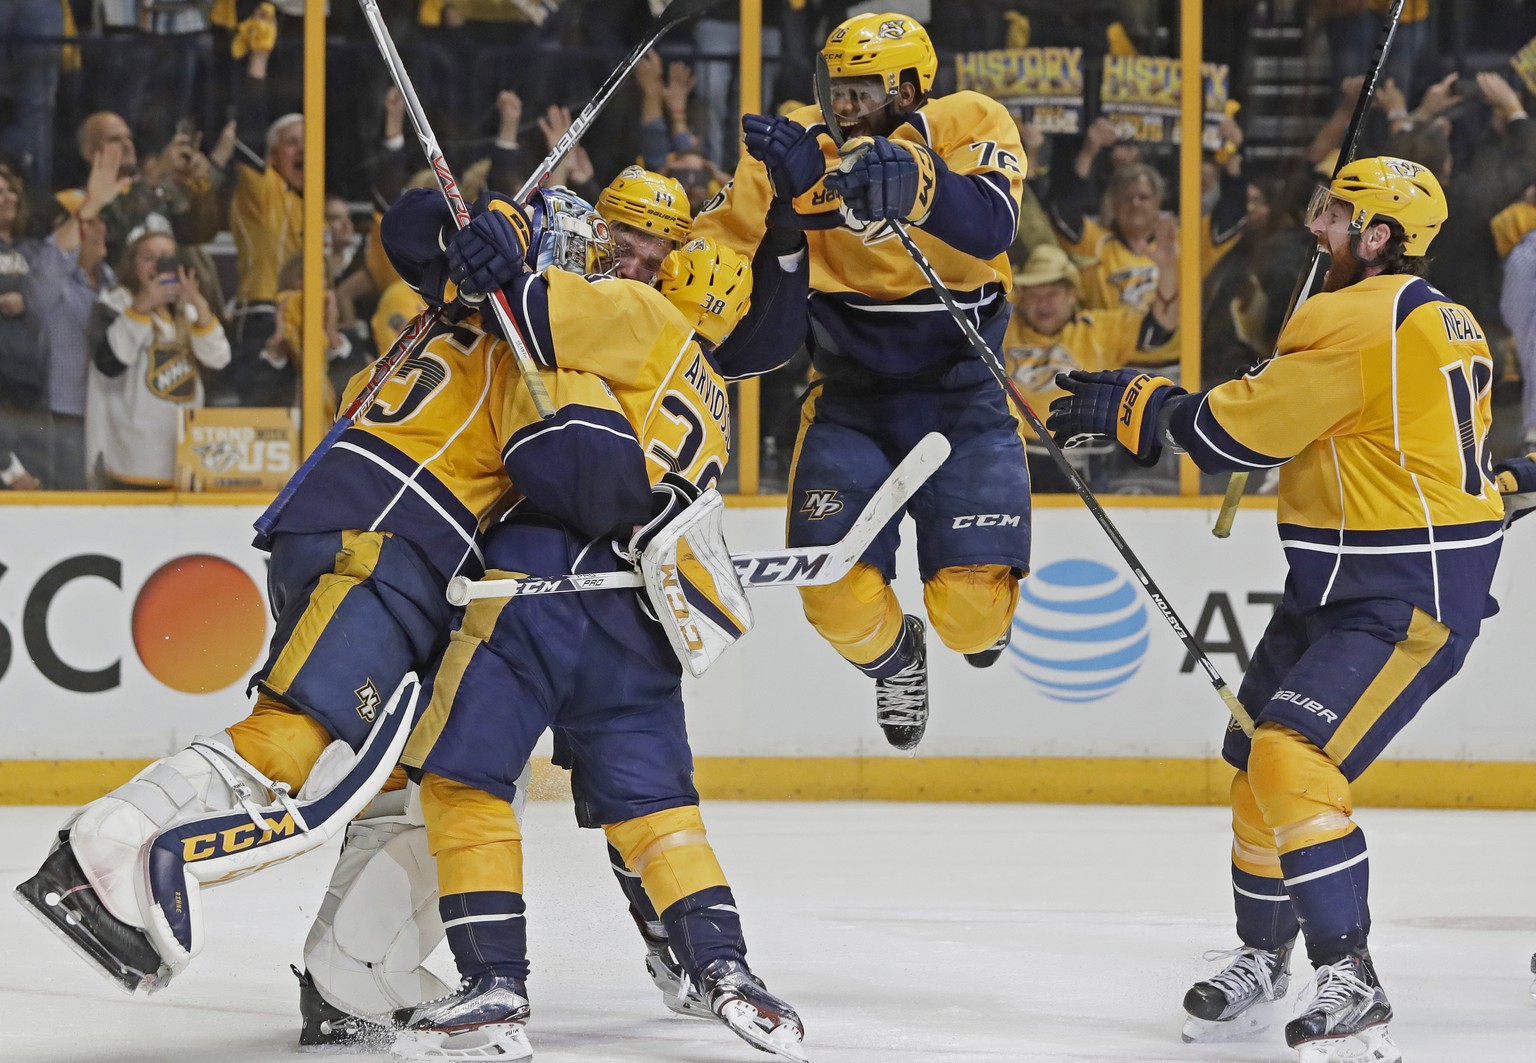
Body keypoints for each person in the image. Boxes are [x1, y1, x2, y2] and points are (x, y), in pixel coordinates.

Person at [11, 185, 614, 998]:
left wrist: (482, 238)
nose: (593, 288)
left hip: (356, 532)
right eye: (584, 268)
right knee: (296, 729)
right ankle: (107, 850)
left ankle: (353, 969)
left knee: (427, 774)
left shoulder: (448, 310)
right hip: (391, 538)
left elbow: (411, 227)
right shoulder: (521, 351)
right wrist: (498, 227)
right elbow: (414, 228)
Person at [1046, 156, 1498, 1063]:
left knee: (1294, 756)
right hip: (1338, 577)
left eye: (1336, 214)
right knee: (1258, 759)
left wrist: (1144, 402)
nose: (1316, 225)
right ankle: (1264, 957)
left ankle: (1350, 972)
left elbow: (1226, 436)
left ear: (1378, 236)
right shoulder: (1431, 312)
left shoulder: (1357, 315)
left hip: (1401, 590)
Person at [355, 190, 805, 1062]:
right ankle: (724, 967)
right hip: (642, 621)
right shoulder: (712, 396)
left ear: (669, 276)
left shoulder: (631, 315)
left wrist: (499, 253)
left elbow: (522, 306)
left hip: (536, 586)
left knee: (464, 782)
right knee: (660, 811)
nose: (627, 261)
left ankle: (494, 983)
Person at [692, 10, 1029, 750]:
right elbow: (715, 246)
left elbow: (994, 225)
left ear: (909, 90)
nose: (841, 108)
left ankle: (982, 619)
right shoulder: (798, 145)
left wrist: (915, 182)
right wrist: (772, 214)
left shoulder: (972, 120)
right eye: (834, 90)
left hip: (963, 397)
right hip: (851, 401)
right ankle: (896, 658)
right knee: (834, 595)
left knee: (971, 615)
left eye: (861, 92)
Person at [1003, 239, 1176, 493]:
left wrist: (1169, 269)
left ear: (1072, 295)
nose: (1043, 304)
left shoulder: (1098, 331)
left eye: (1052, 294)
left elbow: (1159, 328)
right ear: (1021, 298)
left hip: (1087, 463)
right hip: (1018, 461)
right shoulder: (1005, 330)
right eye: (1034, 294)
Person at [84, 229, 230, 488]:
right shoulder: (115, 302)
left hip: (184, 457)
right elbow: (109, 364)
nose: (158, 265)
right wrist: (142, 306)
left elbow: (219, 359)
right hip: (131, 460)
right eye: (148, 257)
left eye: (166, 257)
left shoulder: (187, 309)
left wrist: (199, 304)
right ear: (133, 264)